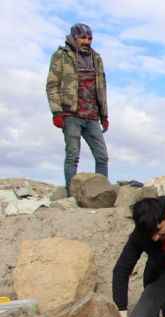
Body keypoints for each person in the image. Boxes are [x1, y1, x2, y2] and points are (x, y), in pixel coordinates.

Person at [46, 23, 110, 195]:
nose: (86, 41)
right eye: (82, 37)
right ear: (74, 38)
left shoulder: (96, 58)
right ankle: (71, 194)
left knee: (102, 156)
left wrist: (104, 115)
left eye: (89, 38)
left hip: (92, 116)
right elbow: (52, 85)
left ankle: (101, 192)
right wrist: (56, 112)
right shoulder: (61, 56)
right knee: (73, 156)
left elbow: (102, 88)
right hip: (71, 114)